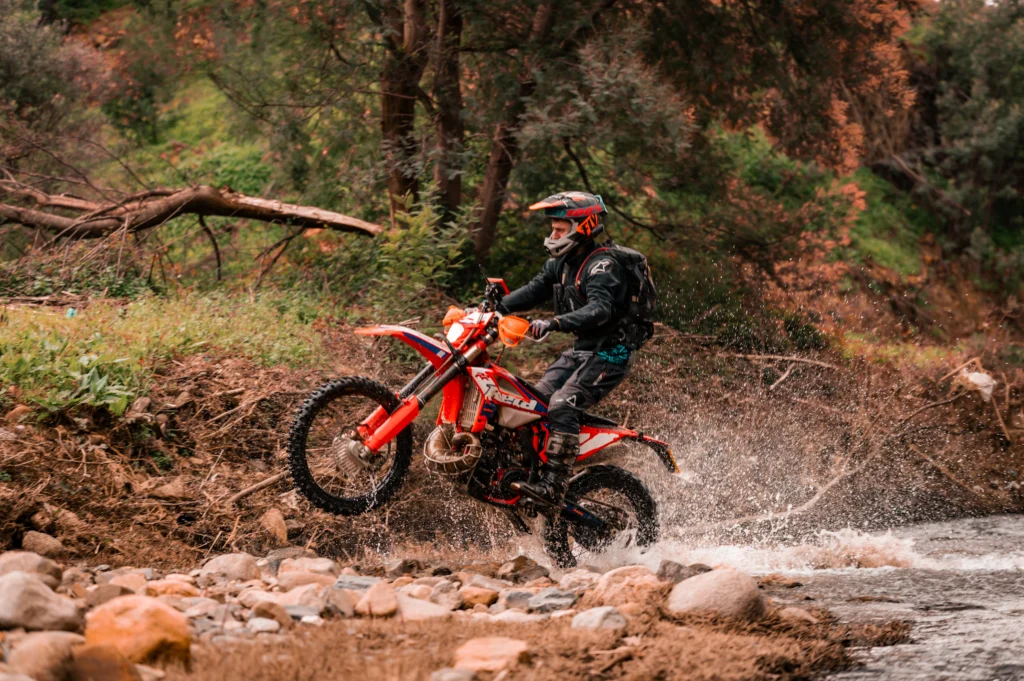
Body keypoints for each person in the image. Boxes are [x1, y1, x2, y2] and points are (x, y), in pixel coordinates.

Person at [497, 191, 654, 507]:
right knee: (532, 403)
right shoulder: (561, 263)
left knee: (562, 405)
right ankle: (529, 472)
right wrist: (493, 307)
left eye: (560, 229)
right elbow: (532, 291)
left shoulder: (603, 265)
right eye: (553, 229)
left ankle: (554, 485)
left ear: (584, 226)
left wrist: (555, 323)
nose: (553, 235)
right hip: (582, 351)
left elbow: (600, 309)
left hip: (611, 353)